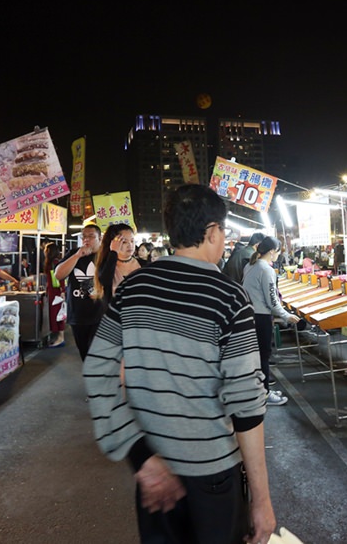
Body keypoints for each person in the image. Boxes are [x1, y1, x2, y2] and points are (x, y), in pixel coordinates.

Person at [84, 184, 276, 544]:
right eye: (223, 232)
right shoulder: (230, 297)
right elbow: (247, 408)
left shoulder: (133, 288)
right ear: (211, 233)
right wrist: (262, 502)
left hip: (154, 478)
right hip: (214, 474)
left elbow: (97, 370)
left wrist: (140, 457)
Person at [242, 236, 299, 407]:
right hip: (261, 318)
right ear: (272, 251)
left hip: (251, 316)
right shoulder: (266, 270)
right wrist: (286, 315)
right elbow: (272, 301)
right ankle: (265, 395)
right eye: (278, 252)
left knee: (258, 357)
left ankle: (261, 390)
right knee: (264, 357)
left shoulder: (251, 265)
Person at [54, 223, 102, 360]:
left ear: (100, 238)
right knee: (85, 354)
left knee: (96, 354)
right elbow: (58, 275)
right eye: (84, 237)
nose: (86, 240)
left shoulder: (104, 256)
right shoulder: (73, 254)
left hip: (99, 314)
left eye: (91, 236)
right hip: (78, 314)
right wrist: (77, 256)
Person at [91, 223, 141, 316]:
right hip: (116, 317)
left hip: (139, 316)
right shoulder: (108, 264)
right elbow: (105, 281)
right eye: (124, 242)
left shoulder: (143, 264)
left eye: (132, 241)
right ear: (113, 243)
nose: (130, 245)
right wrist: (113, 252)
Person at [43, 242, 66, 347]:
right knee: (55, 314)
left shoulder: (55, 263)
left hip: (57, 293)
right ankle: (58, 337)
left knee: (58, 315)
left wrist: (62, 291)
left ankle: (61, 338)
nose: (44, 251)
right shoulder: (51, 262)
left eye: (46, 249)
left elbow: (61, 278)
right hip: (53, 292)